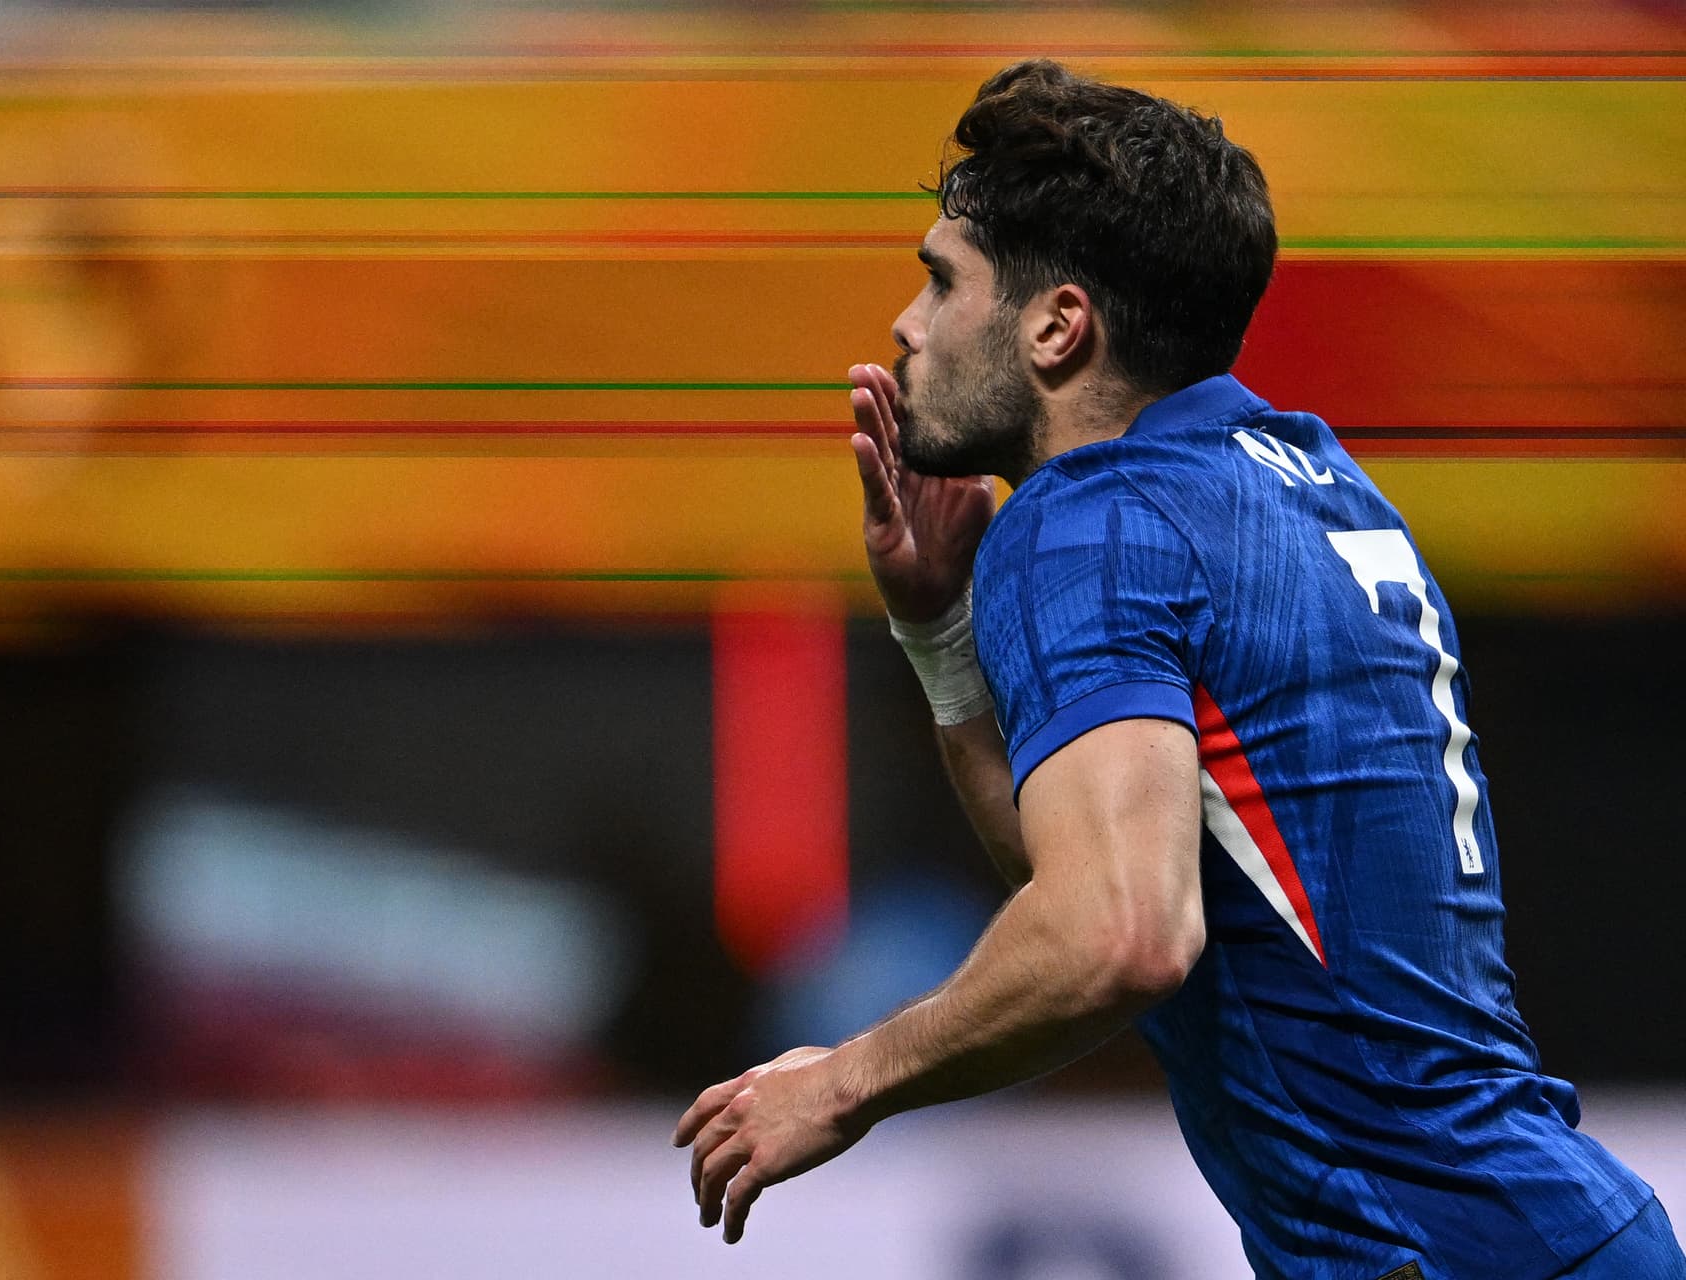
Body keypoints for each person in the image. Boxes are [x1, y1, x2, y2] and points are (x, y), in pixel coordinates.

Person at [673, 58, 1684, 1279]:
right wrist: (943, 640)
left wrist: (842, 1083)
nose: (909, 322)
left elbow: (1118, 938)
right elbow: (1109, 885)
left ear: (1057, 324)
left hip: (1439, 1251)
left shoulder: (1092, 516)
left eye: (945, 279)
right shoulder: (1312, 482)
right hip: (1545, 1227)